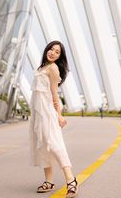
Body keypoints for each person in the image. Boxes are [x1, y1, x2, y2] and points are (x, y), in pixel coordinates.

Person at [29, 41, 78, 198]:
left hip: (47, 113)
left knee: (56, 145)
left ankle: (71, 180)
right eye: (51, 49)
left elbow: (54, 95)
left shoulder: (53, 68)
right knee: (43, 146)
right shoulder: (41, 68)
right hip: (37, 114)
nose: (52, 53)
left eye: (57, 52)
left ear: (59, 57)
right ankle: (49, 181)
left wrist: (59, 115)